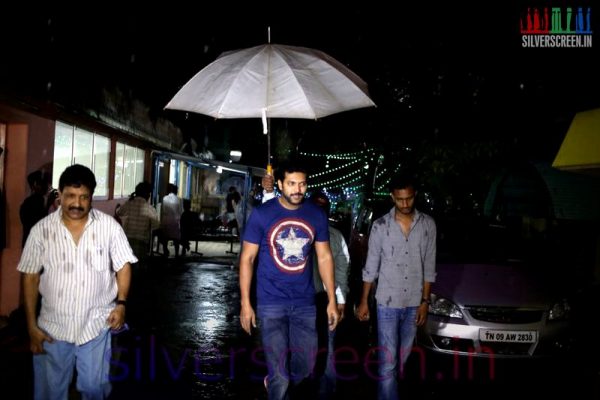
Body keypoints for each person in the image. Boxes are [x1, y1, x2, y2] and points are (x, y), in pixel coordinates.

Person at [17, 164, 137, 400]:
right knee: (50, 393)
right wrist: (31, 326)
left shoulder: (109, 227)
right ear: (59, 195)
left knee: (94, 389)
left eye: (84, 197)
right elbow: (30, 275)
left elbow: (123, 265)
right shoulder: (42, 230)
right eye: (70, 196)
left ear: (91, 197)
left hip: (96, 324)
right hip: (52, 327)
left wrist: (121, 304)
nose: (77, 203)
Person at [239, 161, 340, 400]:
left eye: (302, 184)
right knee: (281, 375)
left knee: (305, 367)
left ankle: (274, 380)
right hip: (270, 301)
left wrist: (332, 300)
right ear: (280, 184)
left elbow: (325, 257)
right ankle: (276, 381)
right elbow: (247, 259)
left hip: (305, 302)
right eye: (292, 184)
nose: (298, 189)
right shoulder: (262, 214)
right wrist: (245, 302)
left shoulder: (315, 214)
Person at [356, 173, 436, 400]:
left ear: (415, 196)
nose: (405, 204)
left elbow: (429, 267)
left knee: (402, 359)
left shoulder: (428, 225)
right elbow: (370, 266)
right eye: (400, 199)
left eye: (409, 199)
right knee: (387, 363)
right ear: (392, 197)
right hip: (387, 303)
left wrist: (424, 302)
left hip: (413, 303)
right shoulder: (380, 226)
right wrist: (364, 302)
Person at [311, 191, 350, 399]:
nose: (320, 211)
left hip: (327, 301)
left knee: (329, 349)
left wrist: (340, 301)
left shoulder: (335, 236)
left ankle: (325, 392)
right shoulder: (300, 231)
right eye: (316, 206)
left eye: (323, 207)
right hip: (302, 302)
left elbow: (342, 268)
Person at [116, 181, 160, 265]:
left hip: (126, 242)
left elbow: (119, 212)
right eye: (149, 193)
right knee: (139, 269)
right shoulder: (150, 209)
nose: (149, 195)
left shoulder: (128, 203)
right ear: (147, 194)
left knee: (127, 267)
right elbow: (156, 225)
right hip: (141, 243)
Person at [19, 170, 50, 247]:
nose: (46, 186)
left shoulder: (31, 201)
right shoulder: (32, 202)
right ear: (35, 185)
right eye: (43, 183)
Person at [159, 183, 183, 257]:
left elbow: (162, 211)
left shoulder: (164, 198)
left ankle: (165, 250)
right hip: (175, 221)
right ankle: (176, 253)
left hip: (165, 221)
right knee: (176, 239)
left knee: (165, 237)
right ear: (176, 191)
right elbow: (181, 211)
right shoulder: (179, 199)